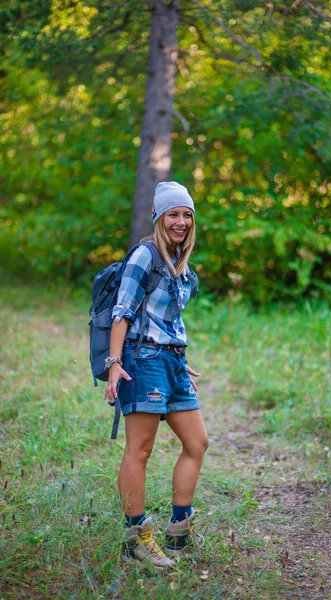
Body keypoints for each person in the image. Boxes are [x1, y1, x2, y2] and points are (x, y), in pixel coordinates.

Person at [104, 181, 208, 568]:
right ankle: (136, 541)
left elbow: (168, 320)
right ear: (159, 218)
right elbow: (122, 311)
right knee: (140, 450)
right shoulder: (144, 256)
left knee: (197, 443)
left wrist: (180, 360)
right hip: (142, 360)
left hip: (172, 363)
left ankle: (178, 532)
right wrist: (114, 363)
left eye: (186, 215)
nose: (180, 222)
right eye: (173, 214)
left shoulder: (181, 266)